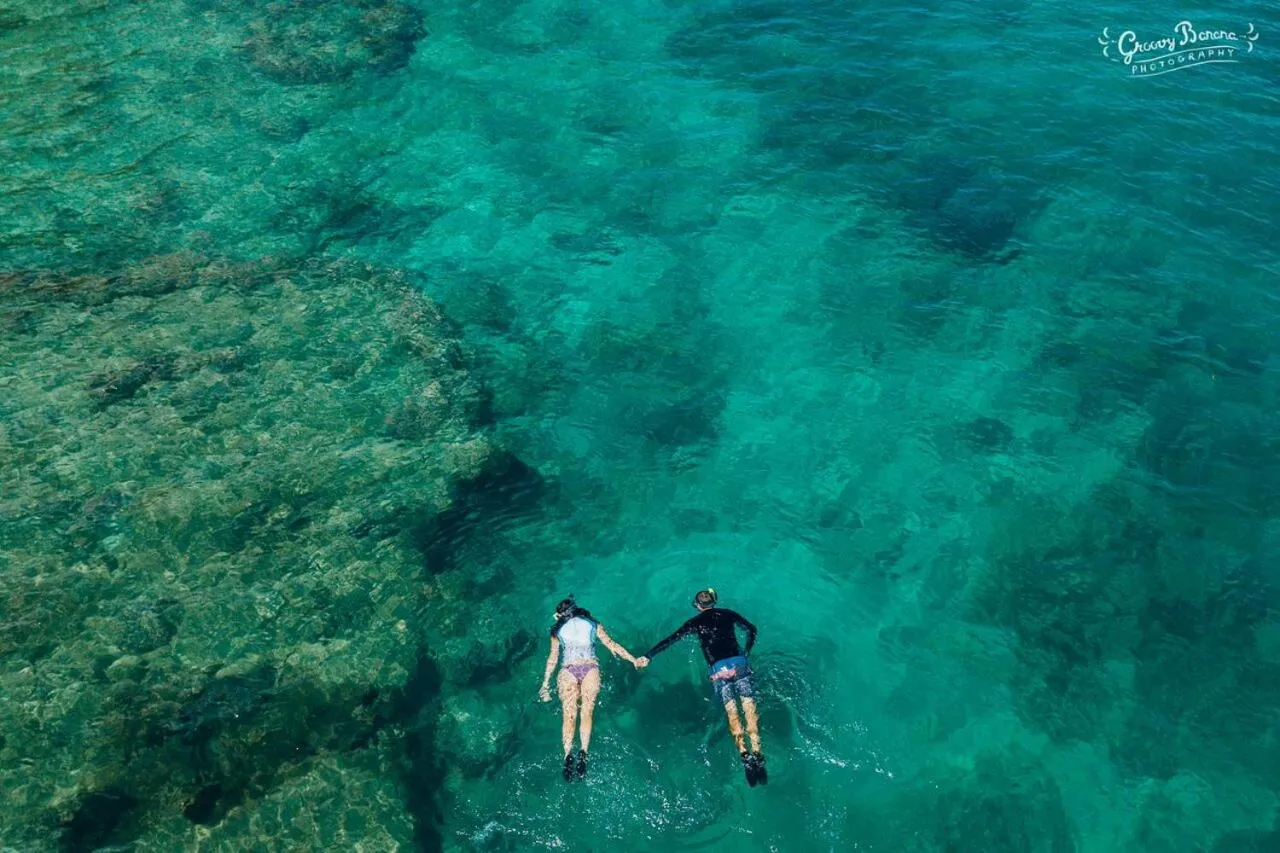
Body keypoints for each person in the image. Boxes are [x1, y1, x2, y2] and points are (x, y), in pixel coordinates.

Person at [636, 588, 766, 784]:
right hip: (739, 664)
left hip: (719, 670)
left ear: (698, 606)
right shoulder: (728, 614)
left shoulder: (694, 623)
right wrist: (746, 652)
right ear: (714, 601)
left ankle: (745, 755)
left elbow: (670, 640)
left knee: (732, 713)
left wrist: (648, 655)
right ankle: (757, 751)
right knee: (749, 709)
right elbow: (752, 629)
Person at [539, 595, 640, 781]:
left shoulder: (556, 631)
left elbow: (552, 659)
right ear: (576, 610)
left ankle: (567, 754)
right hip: (590, 668)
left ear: (560, 615)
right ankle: (584, 752)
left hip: (568, 670)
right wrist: (633, 659)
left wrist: (545, 684)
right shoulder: (593, 624)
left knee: (568, 714)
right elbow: (612, 644)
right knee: (587, 712)